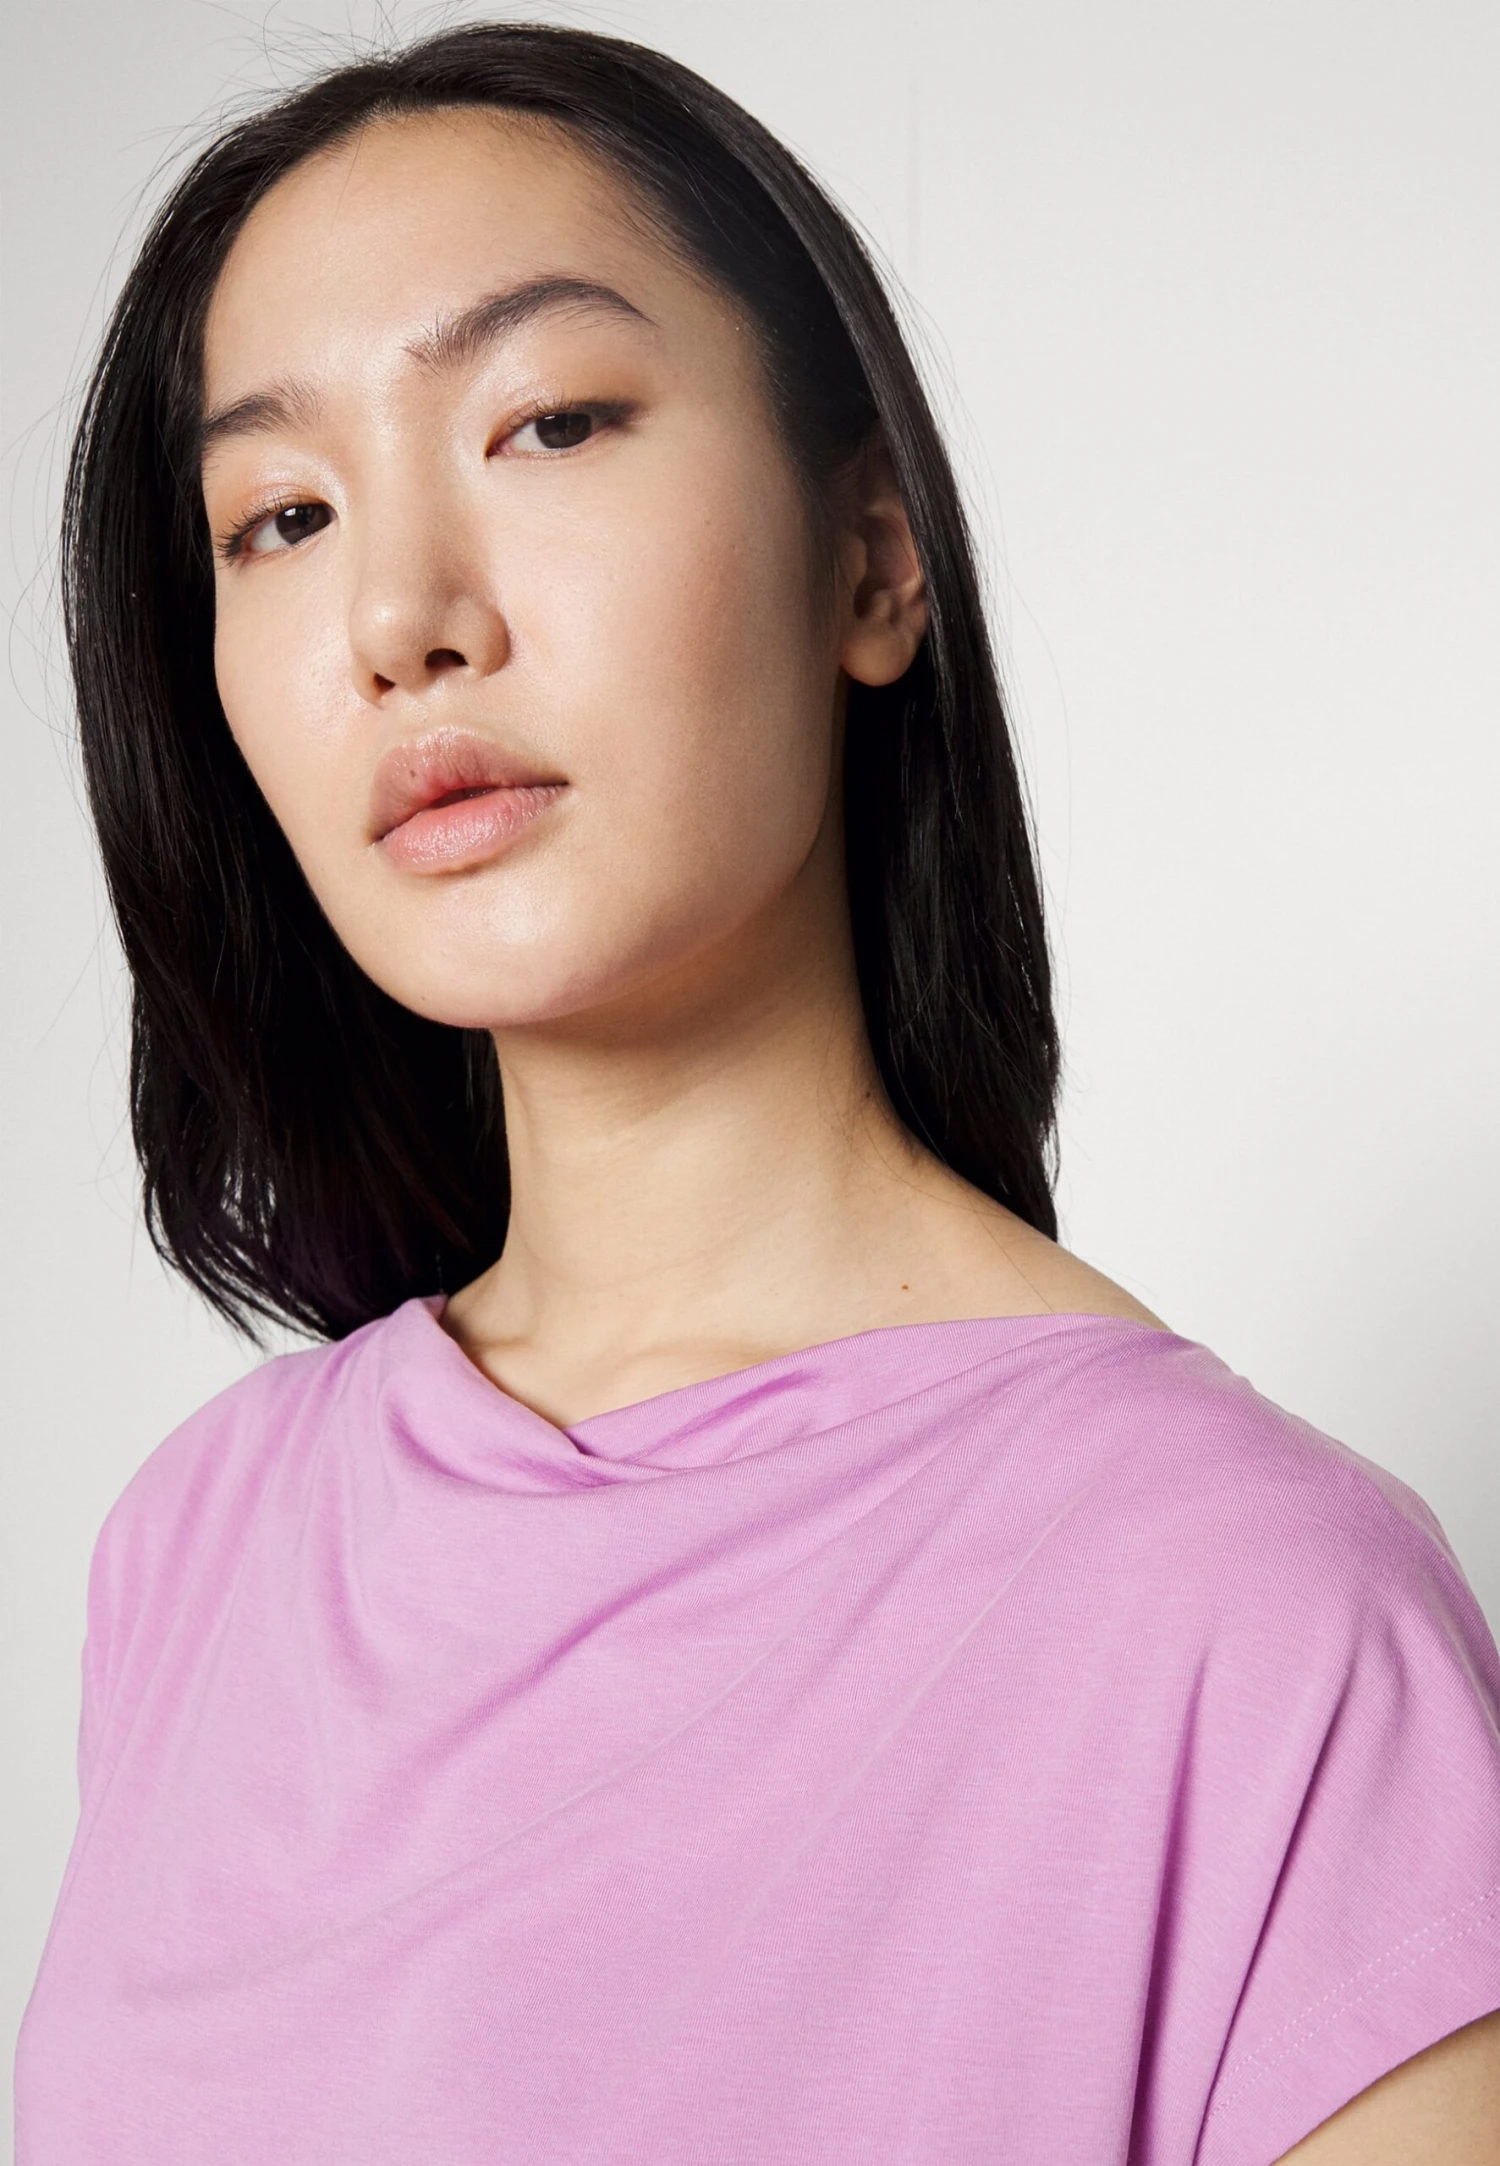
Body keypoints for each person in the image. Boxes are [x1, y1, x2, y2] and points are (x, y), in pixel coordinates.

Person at [13, 21, 1500, 2164]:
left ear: (873, 559)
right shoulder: (199, 1543)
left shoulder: (1259, 1613)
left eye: (547, 422)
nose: (400, 618)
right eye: (283, 515)